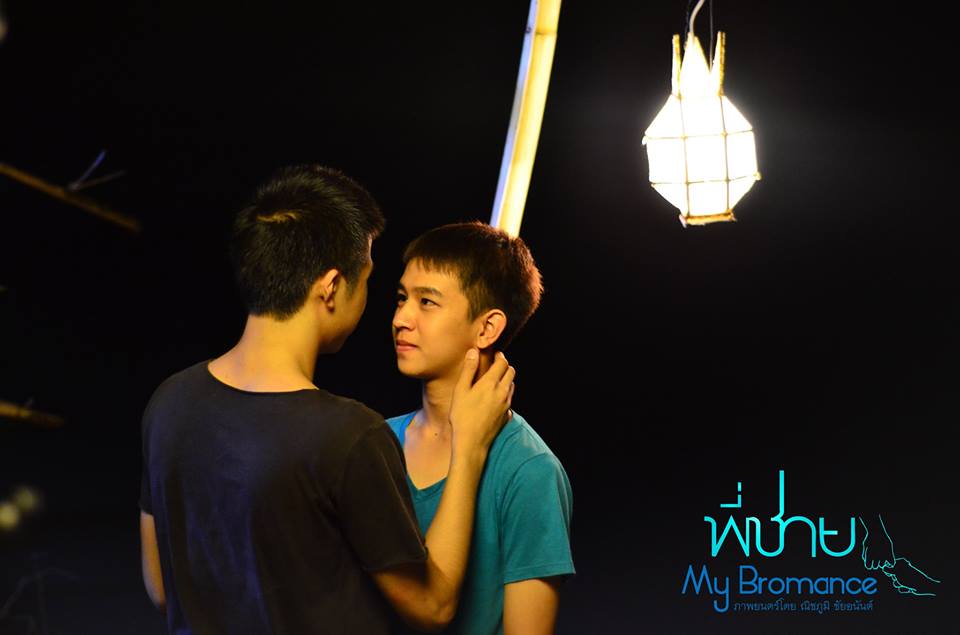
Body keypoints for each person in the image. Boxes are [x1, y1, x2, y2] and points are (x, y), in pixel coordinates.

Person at [139, 166, 515, 634]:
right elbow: (433, 606)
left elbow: (160, 585)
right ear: (332, 286)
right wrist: (470, 449)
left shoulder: (170, 402)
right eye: (368, 280)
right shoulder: (348, 436)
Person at [388, 222, 574, 635]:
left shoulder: (530, 471)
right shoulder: (376, 443)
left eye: (427, 302)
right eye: (401, 298)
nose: (401, 318)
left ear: (487, 328)